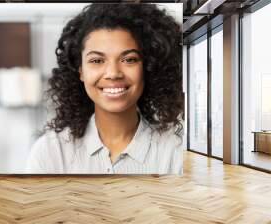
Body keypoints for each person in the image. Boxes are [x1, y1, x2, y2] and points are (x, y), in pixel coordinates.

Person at [25, 3, 184, 174]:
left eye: (129, 59)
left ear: (147, 67)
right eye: (97, 61)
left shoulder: (176, 151)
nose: (113, 73)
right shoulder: (50, 153)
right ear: (80, 71)